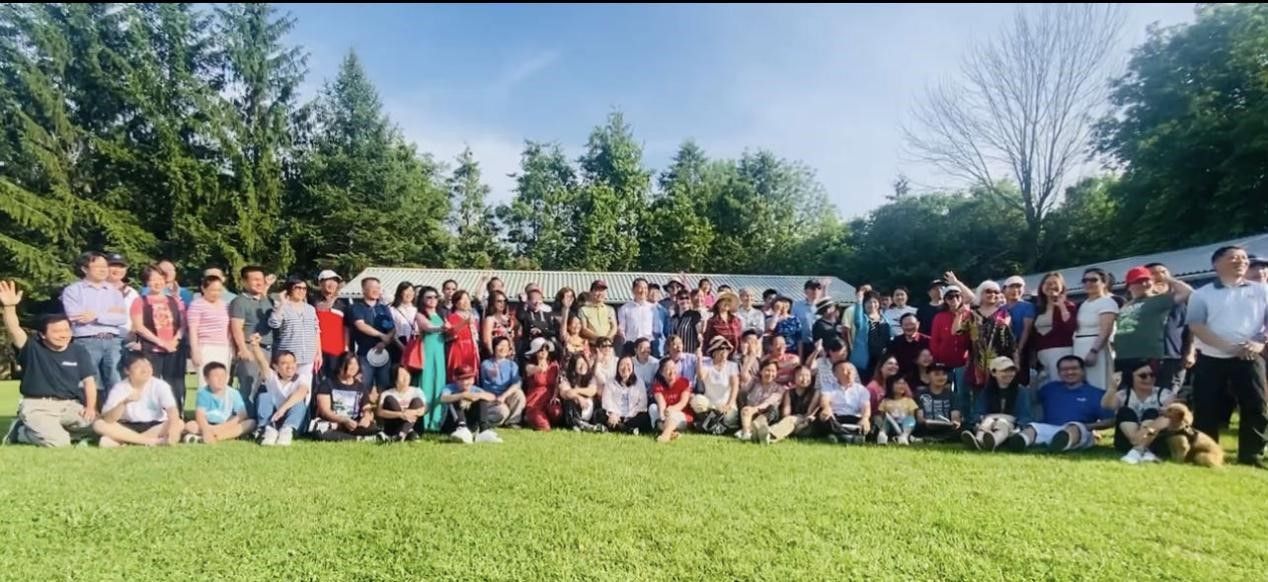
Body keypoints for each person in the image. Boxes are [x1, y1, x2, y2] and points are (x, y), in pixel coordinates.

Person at [1186, 245, 1268, 469]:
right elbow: (1196, 325)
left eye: (1243, 258)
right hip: (1211, 356)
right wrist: (1227, 347)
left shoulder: (1262, 291)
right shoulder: (1201, 294)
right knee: (1207, 406)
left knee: (1256, 405)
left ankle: (1251, 455)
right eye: (1233, 258)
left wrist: (1261, 343)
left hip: (1249, 355)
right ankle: (1205, 453)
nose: (1241, 261)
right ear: (1216, 264)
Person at [1, 281, 99, 447]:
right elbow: (14, 329)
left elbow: (89, 382)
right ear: (43, 335)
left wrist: (90, 408)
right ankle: (20, 432)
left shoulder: (78, 350)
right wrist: (9, 307)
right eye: (57, 331)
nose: (63, 335)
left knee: (100, 427)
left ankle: (51, 430)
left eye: (66, 330)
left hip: (69, 405)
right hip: (38, 406)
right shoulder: (31, 348)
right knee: (59, 443)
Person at [1004, 356, 1114, 453]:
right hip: (1050, 428)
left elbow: (1111, 420)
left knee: (1074, 427)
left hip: (1081, 430)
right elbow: (1030, 401)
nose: (1069, 372)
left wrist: (1089, 427)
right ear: (1059, 372)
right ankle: (1021, 441)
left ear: (1082, 371)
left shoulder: (1096, 394)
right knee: (1033, 427)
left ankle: (1061, 444)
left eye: (1074, 368)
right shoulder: (1050, 388)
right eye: (1064, 369)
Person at [1113, 266, 1193, 388]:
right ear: (1129, 286)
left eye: (1147, 280)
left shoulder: (1159, 300)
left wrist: (1167, 278)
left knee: (1160, 394)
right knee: (1128, 395)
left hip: (1151, 358)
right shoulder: (1125, 305)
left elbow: (1187, 292)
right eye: (1139, 281)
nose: (1144, 284)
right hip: (1126, 358)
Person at [61, 251, 128, 392]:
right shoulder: (73, 291)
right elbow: (75, 316)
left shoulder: (114, 292)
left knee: (115, 380)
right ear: (85, 269)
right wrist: (108, 314)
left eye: (105, 266)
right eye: (98, 266)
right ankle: (91, 406)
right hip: (86, 340)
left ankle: (114, 407)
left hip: (113, 341)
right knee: (90, 380)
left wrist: (96, 316)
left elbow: (121, 318)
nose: (103, 270)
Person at [93, 354, 184, 447]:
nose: (145, 370)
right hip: (128, 426)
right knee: (99, 424)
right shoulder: (119, 388)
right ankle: (151, 441)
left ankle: (125, 441)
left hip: (154, 425)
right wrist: (124, 403)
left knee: (179, 423)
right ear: (127, 370)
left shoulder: (160, 385)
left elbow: (172, 410)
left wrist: (173, 430)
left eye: (148, 366)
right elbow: (108, 419)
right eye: (138, 367)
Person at [130, 265, 187, 412]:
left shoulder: (174, 300)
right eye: (153, 279)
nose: (158, 282)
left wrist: (175, 340)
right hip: (151, 350)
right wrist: (161, 343)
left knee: (175, 384)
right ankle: (150, 414)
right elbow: (138, 326)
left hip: (174, 349)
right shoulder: (139, 301)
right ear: (146, 282)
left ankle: (177, 414)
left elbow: (183, 324)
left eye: (160, 278)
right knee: (150, 383)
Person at [958, 280, 1015, 425]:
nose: (992, 294)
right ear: (980, 294)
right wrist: (960, 313)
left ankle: (996, 425)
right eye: (988, 291)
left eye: (996, 292)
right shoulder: (971, 314)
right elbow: (957, 331)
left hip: (999, 361)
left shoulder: (1004, 313)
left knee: (997, 393)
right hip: (977, 360)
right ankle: (976, 424)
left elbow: (1009, 340)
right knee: (977, 395)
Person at [1103, 361, 1173, 464]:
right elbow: (1107, 405)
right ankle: (1142, 448)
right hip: (1126, 441)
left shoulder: (1164, 394)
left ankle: (1138, 449)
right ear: (1131, 378)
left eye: (1152, 375)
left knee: (1153, 412)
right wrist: (1112, 387)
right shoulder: (1124, 394)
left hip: (1154, 441)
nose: (1149, 379)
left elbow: (1170, 416)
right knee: (1125, 411)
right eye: (1143, 376)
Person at [250, 334, 310, 447]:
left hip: (292, 419)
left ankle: (287, 431)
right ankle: (266, 428)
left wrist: (283, 409)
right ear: (276, 367)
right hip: (273, 418)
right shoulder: (272, 377)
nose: (289, 366)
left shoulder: (301, 378)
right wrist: (255, 346)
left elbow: (301, 392)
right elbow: (261, 361)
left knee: (299, 403)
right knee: (264, 396)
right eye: (284, 363)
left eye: (292, 362)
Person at [1146, 263, 1194, 395]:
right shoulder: (1143, 301)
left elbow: (1190, 328)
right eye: (1153, 274)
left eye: (1162, 272)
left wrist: (1190, 352)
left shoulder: (1179, 300)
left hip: (1173, 356)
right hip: (1146, 358)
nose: (1158, 276)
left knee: (1168, 395)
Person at [230, 265, 275, 407]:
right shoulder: (239, 302)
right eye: (255, 279)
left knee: (264, 386)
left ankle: (256, 416)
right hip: (250, 348)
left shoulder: (266, 300)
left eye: (261, 279)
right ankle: (243, 415)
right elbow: (236, 327)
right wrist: (242, 349)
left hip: (268, 349)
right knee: (248, 386)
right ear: (244, 282)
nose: (259, 282)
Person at [268, 276, 321, 393]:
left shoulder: (310, 309)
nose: (301, 291)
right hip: (288, 357)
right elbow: (274, 323)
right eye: (298, 288)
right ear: (290, 289)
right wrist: (282, 303)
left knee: (305, 389)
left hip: (308, 356)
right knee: (287, 389)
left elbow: (316, 331)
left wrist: (318, 353)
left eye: (304, 288)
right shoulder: (281, 306)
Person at [184, 361, 255, 444]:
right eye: (216, 376)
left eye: (223, 376)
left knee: (251, 423)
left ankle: (216, 437)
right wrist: (206, 430)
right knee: (190, 425)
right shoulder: (202, 393)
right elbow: (200, 416)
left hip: (227, 424)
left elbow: (242, 414)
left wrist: (222, 427)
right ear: (206, 379)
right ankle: (214, 435)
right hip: (208, 424)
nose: (220, 379)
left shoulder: (233, 393)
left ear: (228, 378)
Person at [1074, 268, 1119, 394]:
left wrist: (1094, 351)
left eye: (1093, 280)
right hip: (1079, 346)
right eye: (1085, 280)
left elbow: (1106, 331)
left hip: (1096, 348)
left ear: (1104, 283)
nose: (1088, 283)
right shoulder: (1084, 304)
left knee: (1097, 384)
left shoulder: (1107, 302)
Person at [1031, 272, 1077, 384]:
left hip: (1061, 351)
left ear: (1062, 286)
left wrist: (1062, 306)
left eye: (1055, 283)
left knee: (1061, 383)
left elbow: (1071, 327)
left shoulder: (1068, 306)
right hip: (1042, 355)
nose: (1051, 286)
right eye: (1047, 283)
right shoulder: (1037, 308)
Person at [413, 286, 448, 432]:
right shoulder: (420, 314)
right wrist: (442, 328)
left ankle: (437, 421)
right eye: (429, 297)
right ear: (422, 299)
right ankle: (424, 420)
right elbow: (428, 327)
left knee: (439, 384)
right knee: (426, 384)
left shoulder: (441, 314)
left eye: (435, 297)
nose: (433, 299)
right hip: (427, 352)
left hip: (440, 352)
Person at [187, 275, 232, 388]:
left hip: (224, 348)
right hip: (205, 347)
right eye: (212, 290)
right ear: (203, 288)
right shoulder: (197, 305)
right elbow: (193, 329)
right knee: (206, 381)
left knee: (222, 382)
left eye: (219, 290)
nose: (216, 293)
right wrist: (195, 350)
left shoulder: (226, 305)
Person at [690, 336, 741, 435]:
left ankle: (706, 424)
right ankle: (714, 424)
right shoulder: (707, 364)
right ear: (714, 352)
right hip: (710, 405)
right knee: (696, 400)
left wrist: (728, 405)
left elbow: (735, 387)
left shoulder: (732, 366)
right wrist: (699, 359)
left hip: (726, 404)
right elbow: (700, 376)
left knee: (728, 418)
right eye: (721, 348)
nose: (724, 351)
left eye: (726, 349)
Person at [439, 365, 502, 444]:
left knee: (482, 399)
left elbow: (492, 397)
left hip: (470, 423)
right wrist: (463, 395)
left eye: (469, 378)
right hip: (452, 423)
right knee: (455, 397)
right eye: (463, 379)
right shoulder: (449, 388)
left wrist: (477, 396)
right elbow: (443, 398)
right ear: (455, 379)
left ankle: (484, 430)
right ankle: (461, 428)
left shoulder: (474, 389)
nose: (467, 382)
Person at [930, 286, 971, 397]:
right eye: (950, 297)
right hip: (944, 362)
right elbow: (934, 340)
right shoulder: (939, 317)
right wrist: (937, 360)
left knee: (963, 393)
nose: (954, 299)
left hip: (963, 361)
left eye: (957, 296)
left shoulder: (968, 315)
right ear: (945, 300)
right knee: (946, 392)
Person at [818, 360, 871, 444]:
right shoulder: (829, 386)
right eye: (844, 370)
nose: (849, 372)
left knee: (871, 423)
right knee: (824, 418)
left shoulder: (862, 390)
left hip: (854, 417)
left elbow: (866, 406)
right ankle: (852, 436)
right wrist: (827, 408)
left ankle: (839, 435)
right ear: (835, 374)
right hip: (836, 417)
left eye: (851, 369)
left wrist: (865, 418)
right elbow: (825, 400)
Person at [312, 270, 351, 380]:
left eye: (335, 281)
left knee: (335, 379)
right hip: (317, 349)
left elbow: (346, 327)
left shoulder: (343, 303)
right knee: (317, 380)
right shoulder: (313, 299)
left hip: (337, 350)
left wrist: (346, 347)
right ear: (320, 283)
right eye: (328, 280)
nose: (332, 284)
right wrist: (335, 296)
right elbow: (322, 308)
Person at [480, 336, 526, 428]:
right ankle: (483, 421)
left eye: (506, 346)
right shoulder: (486, 364)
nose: (503, 348)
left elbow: (517, 383)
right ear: (494, 347)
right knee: (503, 411)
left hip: (506, 395)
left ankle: (512, 422)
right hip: (492, 398)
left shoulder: (512, 365)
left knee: (519, 394)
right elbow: (487, 384)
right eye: (500, 345)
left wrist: (504, 396)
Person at [766, 366, 820, 443]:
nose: (805, 378)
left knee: (792, 421)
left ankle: (770, 433)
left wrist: (796, 419)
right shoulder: (789, 393)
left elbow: (809, 412)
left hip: (806, 424)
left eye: (807, 375)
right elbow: (786, 413)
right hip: (791, 423)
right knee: (790, 421)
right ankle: (772, 436)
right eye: (801, 375)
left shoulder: (815, 393)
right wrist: (791, 420)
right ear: (794, 378)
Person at [738, 358, 785, 442]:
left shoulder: (779, 388)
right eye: (767, 370)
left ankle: (754, 430)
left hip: (768, 415)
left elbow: (768, 403)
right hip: (750, 413)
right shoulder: (754, 382)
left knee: (770, 410)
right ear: (761, 371)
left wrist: (754, 409)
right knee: (746, 410)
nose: (770, 374)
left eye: (773, 371)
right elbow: (742, 392)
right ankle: (746, 433)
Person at [602, 355, 650, 434]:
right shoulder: (610, 381)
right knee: (599, 414)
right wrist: (613, 413)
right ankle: (627, 429)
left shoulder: (639, 382)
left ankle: (620, 427)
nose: (625, 368)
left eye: (628, 365)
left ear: (633, 367)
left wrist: (629, 415)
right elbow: (606, 400)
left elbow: (642, 404)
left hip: (632, 416)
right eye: (622, 365)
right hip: (615, 415)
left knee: (644, 417)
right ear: (617, 367)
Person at [378, 364, 427, 441]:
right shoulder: (386, 393)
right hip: (394, 426)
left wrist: (412, 412)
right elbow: (379, 412)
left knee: (417, 401)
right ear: (395, 379)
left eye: (407, 374)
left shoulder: (417, 391)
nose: (406, 377)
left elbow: (425, 409)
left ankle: (401, 434)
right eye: (402, 375)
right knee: (390, 399)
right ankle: (407, 433)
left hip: (414, 425)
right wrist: (400, 414)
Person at [1001, 276, 1036, 382]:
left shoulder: (1028, 306)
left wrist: (1018, 350)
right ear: (1004, 290)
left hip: (1023, 348)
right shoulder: (1000, 309)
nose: (1015, 290)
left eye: (1018, 287)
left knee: (1022, 378)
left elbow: (1026, 330)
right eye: (1012, 287)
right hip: (1004, 349)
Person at [522, 338, 561, 431]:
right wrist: (538, 367)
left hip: (550, 400)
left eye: (546, 349)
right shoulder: (529, 365)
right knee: (544, 427)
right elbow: (531, 369)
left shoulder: (554, 365)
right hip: (535, 402)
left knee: (556, 412)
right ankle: (530, 418)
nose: (544, 352)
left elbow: (557, 383)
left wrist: (555, 396)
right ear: (535, 352)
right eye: (540, 349)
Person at [914, 363, 960, 442]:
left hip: (946, 426)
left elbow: (955, 417)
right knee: (917, 427)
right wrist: (926, 422)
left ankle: (934, 439)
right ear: (928, 376)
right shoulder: (921, 394)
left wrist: (955, 423)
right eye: (937, 374)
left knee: (961, 429)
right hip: (927, 426)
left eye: (944, 374)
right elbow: (920, 418)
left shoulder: (952, 395)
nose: (941, 377)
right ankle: (937, 438)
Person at [651, 357, 693, 443]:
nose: (672, 371)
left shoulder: (684, 382)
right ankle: (671, 432)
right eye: (668, 369)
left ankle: (665, 435)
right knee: (653, 407)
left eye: (673, 368)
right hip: (665, 415)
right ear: (662, 373)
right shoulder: (657, 386)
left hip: (681, 416)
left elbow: (683, 403)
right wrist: (663, 416)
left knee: (673, 415)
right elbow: (661, 402)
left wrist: (671, 409)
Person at [559, 353, 602, 432]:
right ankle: (582, 425)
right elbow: (565, 393)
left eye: (583, 362)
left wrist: (576, 390)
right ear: (573, 366)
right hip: (574, 411)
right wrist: (579, 398)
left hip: (588, 408)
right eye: (579, 364)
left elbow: (592, 391)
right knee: (569, 401)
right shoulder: (567, 377)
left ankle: (580, 424)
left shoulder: (591, 376)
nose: (582, 366)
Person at [444, 290, 480, 382]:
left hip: (472, 348)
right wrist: (464, 322)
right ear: (456, 303)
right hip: (459, 348)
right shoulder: (452, 316)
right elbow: (450, 332)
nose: (466, 301)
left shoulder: (472, 315)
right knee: (460, 373)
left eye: (467, 299)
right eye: (462, 299)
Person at [617, 278, 658, 355]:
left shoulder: (653, 308)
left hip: (649, 344)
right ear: (633, 290)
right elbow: (621, 328)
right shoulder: (625, 308)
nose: (643, 291)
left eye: (645, 288)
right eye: (640, 287)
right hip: (631, 345)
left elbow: (655, 328)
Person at [876, 375, 918, 445]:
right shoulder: (885, 401)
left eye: (903, 383)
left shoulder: (909, 401)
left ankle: (904, 436)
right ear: (890, 385)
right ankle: (882, 434)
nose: (901, 386)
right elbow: (882, 416)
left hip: (905, 426)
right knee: (886, 420)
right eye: (898, 383)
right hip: (891, 425)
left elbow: (912, 417)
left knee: (910, 419)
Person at [516, 283, 554, 356]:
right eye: (534, 300)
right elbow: (520, 316)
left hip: (545, 345)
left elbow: (553, 331)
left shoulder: (546, 314)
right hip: (529, 345)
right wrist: (522, 302)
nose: (537, 303)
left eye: (539, 300)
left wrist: (541, 331)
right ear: (528, 301)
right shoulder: (526, 314)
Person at [579, 280, 617, 348]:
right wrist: (599, 339)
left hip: (608, 345)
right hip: (592, 345)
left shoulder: (610, 309)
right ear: (591, 292)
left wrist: (607, 339)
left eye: (602, 291)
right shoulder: (583, 310)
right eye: (597, 290)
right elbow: (584, 329)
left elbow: (614, 327)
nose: (600, 293)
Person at [791, 279, 825, 357]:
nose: (815, 291)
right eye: (812, 288)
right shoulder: (796, 306)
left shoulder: (823, 307)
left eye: (818, 288)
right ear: (805, 291)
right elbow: (793, 326)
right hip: (801, 344)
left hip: (820, 345)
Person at [865, 356, 899, 432]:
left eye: (896, 364)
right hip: (875, 420)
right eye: (890, 363)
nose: (894, 366)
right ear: (881, 367)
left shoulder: (891, 384)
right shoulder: (872, 387)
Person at [704, 290, 743, 355]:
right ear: (717, 304)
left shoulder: (736, 320)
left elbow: (740, 338)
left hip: (735, 354)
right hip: (718, 354)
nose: (727, 303)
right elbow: (706, 340)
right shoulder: (712, 321)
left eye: (729, 301)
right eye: (724, 300)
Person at [480, 290, 516, 360]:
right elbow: (486, 340)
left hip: (509, 354)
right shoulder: (490, 319)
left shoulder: (508, 319)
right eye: (499, 301)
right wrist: (493, 356)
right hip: (495, 355)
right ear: (493, 302)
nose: (502, 304)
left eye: (504, 301)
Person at [389, 282, 418, 365]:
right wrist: (402, 347)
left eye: (411, 291)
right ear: (400, 293)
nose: (409, 294)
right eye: (406, 290)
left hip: (415, 344)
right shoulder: (392, 310)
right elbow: (391, 330)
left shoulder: (417, 309)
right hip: (399, 344)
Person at [669, 289, 704, 354]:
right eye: (681, 298)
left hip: (691, 353)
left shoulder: (695, 315)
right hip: (676, 354)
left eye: (687, 298)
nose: (684, 300)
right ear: (677, 301)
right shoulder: (674, 318)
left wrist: (699, 350)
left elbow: (699, 335)